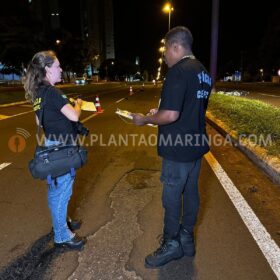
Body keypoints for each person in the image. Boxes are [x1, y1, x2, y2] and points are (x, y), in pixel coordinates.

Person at [132, 26, 212, 267]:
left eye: (166, 50)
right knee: (192, 192)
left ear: (176, 47)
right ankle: (187, 238)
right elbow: (190, 108)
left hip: (178, 148)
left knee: (171, 196)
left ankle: (171, 243)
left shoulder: (178, 72)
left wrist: (145, 118)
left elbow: (171, 115)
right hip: (196, 144)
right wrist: (162, 112)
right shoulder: (203, 72)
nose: (165, 56)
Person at [24, 50, 86, 250]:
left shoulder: (39, 94)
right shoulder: (53, 92)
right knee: (63, 192)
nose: (61, 69)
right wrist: (78, 105)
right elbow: (74, 117)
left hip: (51, 145)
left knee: (55, 190)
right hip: (62, 149)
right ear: (48, 69)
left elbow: (38, 120)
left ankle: (60, 222)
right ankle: (62, 235)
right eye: (58, 66)